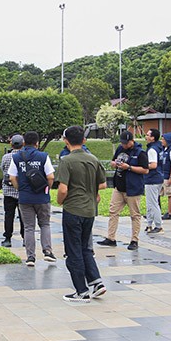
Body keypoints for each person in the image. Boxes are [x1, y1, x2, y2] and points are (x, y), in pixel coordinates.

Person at [56, 125, 108, 303]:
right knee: (85, 247)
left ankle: (81, 291)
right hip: (89, 210)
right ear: (84, 140)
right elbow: (103, 185)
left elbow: (63, 189)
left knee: (73, 250)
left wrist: (59, 201)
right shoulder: (93, 159)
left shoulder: (66, 160)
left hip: (73, 209)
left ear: (66, 141)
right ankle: (97, 282)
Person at [8, 130, 55, 266]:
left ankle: (30, 257)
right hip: (41, 197)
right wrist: (47, 189)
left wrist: (20, 189)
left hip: (25, 198)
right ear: (37, 143)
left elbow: (12, 177)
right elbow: (50, 176)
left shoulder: (16, 158)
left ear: (23, 143)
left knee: (29, 227)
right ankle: (47, 251)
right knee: (44, 224)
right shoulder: (43, 156)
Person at [97, 130, 147, 248]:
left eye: (126, 143)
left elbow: (145, 170)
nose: (124, 145)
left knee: (135, 215)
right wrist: (114, 164)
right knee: (113, 211)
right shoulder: (120, 149)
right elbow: (113, 160)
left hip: (133, 188)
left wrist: (129, 167)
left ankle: (134, 240)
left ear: (131, 141)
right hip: (119, 187)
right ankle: (111, 238)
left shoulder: (140, 153)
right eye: (122, 143)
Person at [0, 135, 25, 248]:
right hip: (22, 191)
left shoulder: (6, 157)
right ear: (23, 144)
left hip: (8, 191)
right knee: (24, 216)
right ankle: (25, 238)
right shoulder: (25, 156)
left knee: (9, 215)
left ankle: (7, 238)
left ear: (11, 144)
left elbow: (3, 169)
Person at [143, 128, 165, 234]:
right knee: (150, 202)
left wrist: (142, 166)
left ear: (153, 138)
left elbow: (153, 165)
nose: (146, 136)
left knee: (153, 203)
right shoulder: (159, 147)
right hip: (158, 177)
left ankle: (158, 225)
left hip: (152, 178)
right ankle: (149, 224)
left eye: (148, 135)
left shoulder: (152, 150)